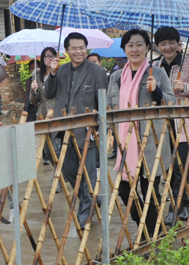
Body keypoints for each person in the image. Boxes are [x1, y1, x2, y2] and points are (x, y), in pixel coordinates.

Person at [107, 29, 175, 237]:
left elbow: (171, 103)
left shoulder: (158, 73)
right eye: (130, 45)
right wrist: (110, 131)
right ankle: (146, 228)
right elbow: (111, 107)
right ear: (124, 49)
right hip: (126, 143)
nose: (134, 49)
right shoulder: (117, 77)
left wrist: (157, 91)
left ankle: (150, 237)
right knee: (124, 190)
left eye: (139, 44)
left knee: (149, 192)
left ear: (147, 48)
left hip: (150, 141)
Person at [42, 32, 108, 230]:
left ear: (86, 48)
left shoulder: (97, 71)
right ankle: (89, 197)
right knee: (67, 169)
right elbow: (48, 93)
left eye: (81, 47)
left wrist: (99, 126)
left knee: (87, 172)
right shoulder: (60, 70)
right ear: (67, 50)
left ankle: (84, 213)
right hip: (63, 129)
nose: (78, 51)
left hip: (86, 130)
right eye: (74, 48)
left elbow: (102, 102)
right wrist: (52, 74)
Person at [153, 26, 189, 226]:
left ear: (179, 44)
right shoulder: (156, 66)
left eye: (171, 42)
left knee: (181, 165)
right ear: (158, 46)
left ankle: (178, 207)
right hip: (164, 122)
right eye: (162, 43)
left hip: (186, 123)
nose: (167, 47)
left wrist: (184, 87)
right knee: (170, 165)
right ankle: (183, 202)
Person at [29, 47, 59, 171]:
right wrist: (34, 90)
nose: (49, 58)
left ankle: (57, 177)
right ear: (42, 58)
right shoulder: (36, 74)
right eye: (46, 56)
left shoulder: (61, 72)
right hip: (42, 114)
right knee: (47, 149)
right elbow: (34, 102)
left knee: (57, 148)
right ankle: (61, 172)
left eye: (52, 56)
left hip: (57, 112)